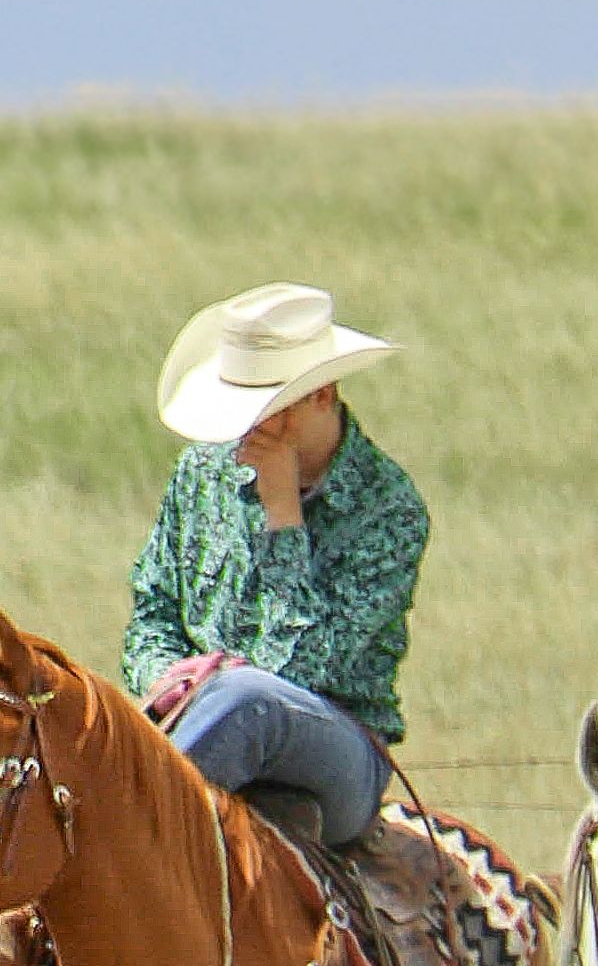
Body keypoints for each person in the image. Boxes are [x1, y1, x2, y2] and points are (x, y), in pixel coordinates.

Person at [121, 282, 426, 851]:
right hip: (188, 718)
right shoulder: (200, 473)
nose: (250, 428)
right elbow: (152, 612)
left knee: (251, 702)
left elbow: (303, 672)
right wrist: (170, 682)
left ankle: (123, 841)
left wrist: (282, 517)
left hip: (338, 748)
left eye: (268, 409)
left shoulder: (390, 510)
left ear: (322, 395)